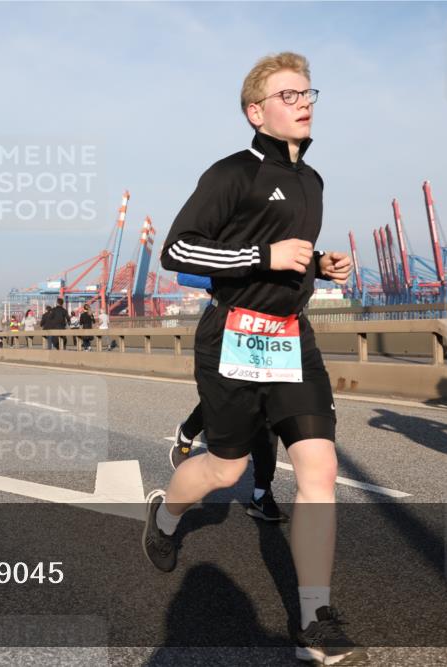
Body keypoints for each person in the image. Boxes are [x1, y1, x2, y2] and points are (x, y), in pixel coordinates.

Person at [142, 52, 362, 666]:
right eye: (289, 95)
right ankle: (164, 517)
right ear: (255, 112)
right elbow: (176, 249)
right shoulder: (231, 172)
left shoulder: (312, 181)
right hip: (233, 336)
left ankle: (315, 615)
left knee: (317, 468)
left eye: (307, 92)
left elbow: (291, 251)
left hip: (292, 337)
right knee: (225, 469)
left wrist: (320, 263)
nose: (304, 102)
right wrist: (265, 257)